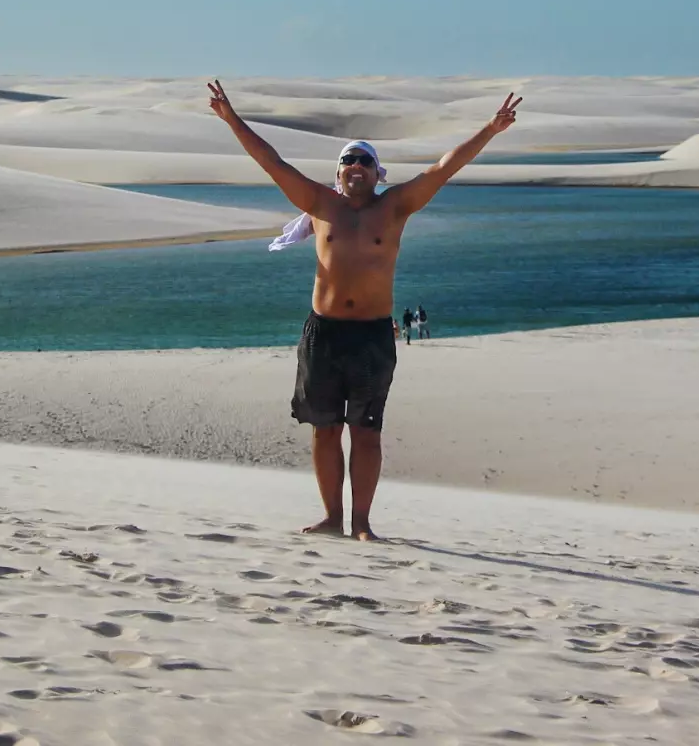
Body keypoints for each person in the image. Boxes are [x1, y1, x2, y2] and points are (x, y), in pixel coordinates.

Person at [208, 80, 522, 540]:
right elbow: (272, 162)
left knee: (367, 432)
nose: (355, 166)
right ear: (338, 173)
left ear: (378, 173)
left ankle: (361, 523)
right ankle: (332, 517)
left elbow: (443, 168)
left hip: (372, 336)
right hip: (323, 334)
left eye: (365, 161)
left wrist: (490, 130)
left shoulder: (395, 207)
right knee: (324, 430)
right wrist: (232, 119)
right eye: (348, 161)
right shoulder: (319, 203)